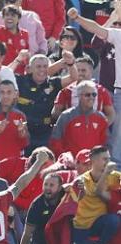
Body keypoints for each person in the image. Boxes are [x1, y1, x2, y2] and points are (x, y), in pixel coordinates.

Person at [69, 7, 121, 163]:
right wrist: (78, 18)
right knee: (118, 134)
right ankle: (116, 167)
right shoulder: (119, 35)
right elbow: (96, 29)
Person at [72, 145, 121, 244]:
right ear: (93, 160)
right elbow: (97, 191)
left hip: (100, 223)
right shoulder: (82, 180)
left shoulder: (115, 176)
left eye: (109, 159)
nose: (108, 162)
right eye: (105, 159)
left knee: (114, 220)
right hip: (82, 226)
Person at [51, 80, 109, 158]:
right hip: (71, 164)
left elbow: (105, 143)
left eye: (94, 94)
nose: (91, 97)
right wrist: (64, 158)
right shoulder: (66, 116)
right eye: (87, 95)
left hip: (93, 164)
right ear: (79, 96)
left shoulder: (101, 118)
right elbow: (55, 140)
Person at [52, 56, 115, 125]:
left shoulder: (102, 91)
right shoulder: (66, 91)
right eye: (77, 70)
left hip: (95, 132)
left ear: (91, 71)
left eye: (83, 70)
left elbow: (111, 114)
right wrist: (68, 122)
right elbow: (55, 113)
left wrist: (101, 127)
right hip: (72, 132)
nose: (80, 73)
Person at [19, 172, 65, 244]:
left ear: (59, 188)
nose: (47, 188)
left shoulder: (66, 196)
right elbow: (27, 233)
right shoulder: (37, 205)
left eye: (51, 185)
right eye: (45, 184)